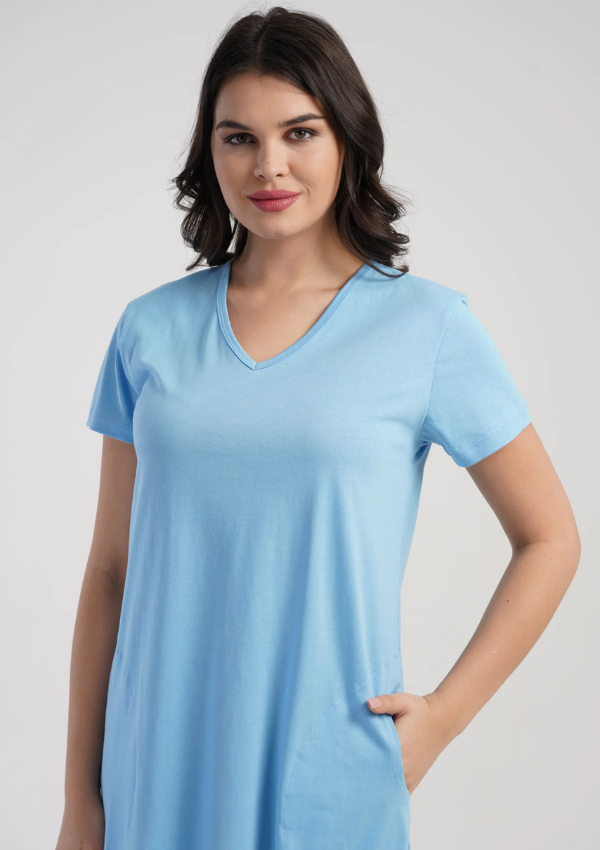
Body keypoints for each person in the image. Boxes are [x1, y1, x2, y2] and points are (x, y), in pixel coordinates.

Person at [56, 7, 580, 850]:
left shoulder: (428, 328)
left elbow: (550, 538)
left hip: (329, 771)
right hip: (155, 768)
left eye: (300, 132)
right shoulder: (148, 329)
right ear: (209, 151)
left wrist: (442, 719)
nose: (269, 165)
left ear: (347, 139)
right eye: (238, 138)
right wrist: (81, 801)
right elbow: (111, 571)